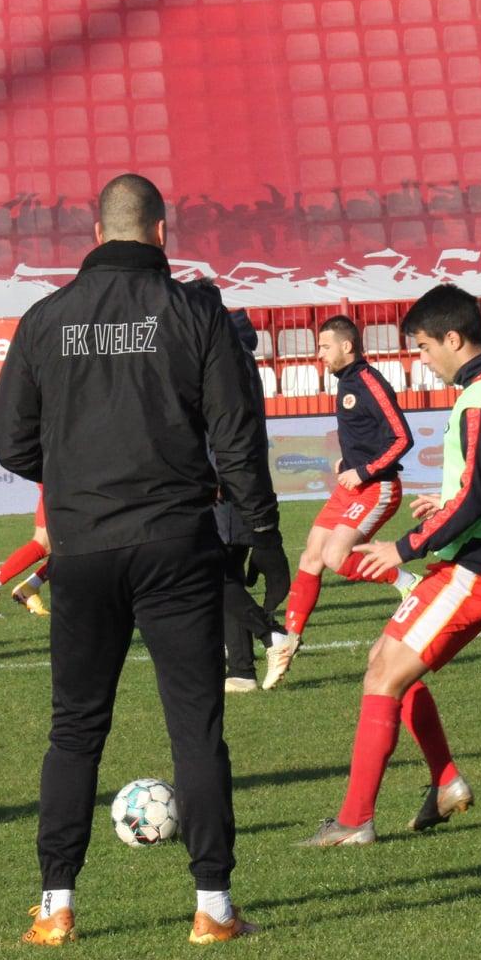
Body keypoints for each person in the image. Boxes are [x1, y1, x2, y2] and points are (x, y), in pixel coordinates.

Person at [0, 173, 281, 945]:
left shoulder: (46, 318)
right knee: (195, 728)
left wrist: (74, 475)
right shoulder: (194, 311)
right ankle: (213, 908)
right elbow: (237, 436)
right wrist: (262, 533)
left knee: (75, 730)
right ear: (161, 233)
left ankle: (55, 907)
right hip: (175, 545)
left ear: (96, 233)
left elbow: (8, 438)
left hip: (82, 548)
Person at [299, 284, 481, 846]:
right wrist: (452, 496)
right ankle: (446, 781)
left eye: (426, 348)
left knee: (384, 675)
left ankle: (355, 821)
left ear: (454, 339)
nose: (424, 362)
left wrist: (403, 547)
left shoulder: (478, 399)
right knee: (385, 659)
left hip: (475, 570)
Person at [265, 315, 418, 689]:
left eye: (325, 347)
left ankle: (406, 580)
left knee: (335, 557)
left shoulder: (367, 381)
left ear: (347, 346)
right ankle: (289, 640)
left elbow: (402, 438)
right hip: (350, 485)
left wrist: (363, 471)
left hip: (377, 487)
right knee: (311, 556)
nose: (319, 355)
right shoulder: (346, 382)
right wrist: (346, 463)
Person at [186, 283, 291, 694]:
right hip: (239, 479)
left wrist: (213, 475)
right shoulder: (235, 353)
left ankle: (272, 636)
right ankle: (242, 670)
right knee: (224, 570)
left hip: (224, 482)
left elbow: (223, 427)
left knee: (209, 572)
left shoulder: (219, 358)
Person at [0, 492, 52, 618]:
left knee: (78, 544)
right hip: (61, 483)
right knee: (44, 543)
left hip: (74, 482)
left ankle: (30, 587)